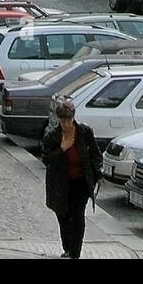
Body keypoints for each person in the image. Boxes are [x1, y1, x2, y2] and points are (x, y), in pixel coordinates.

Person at [40, 97, 102, 259]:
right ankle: (67, 247)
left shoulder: (84, 132)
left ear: (73, 118)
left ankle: (75, 253)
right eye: (63, 121)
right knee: (63, 214)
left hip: (80, 182)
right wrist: (61, 150)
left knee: (78, 216)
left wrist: (97, 175)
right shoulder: (52, 136)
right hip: (60, 182)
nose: (66, 124)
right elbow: (46, 158)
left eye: (69, 120)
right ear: (59, 120)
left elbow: (95, 154)